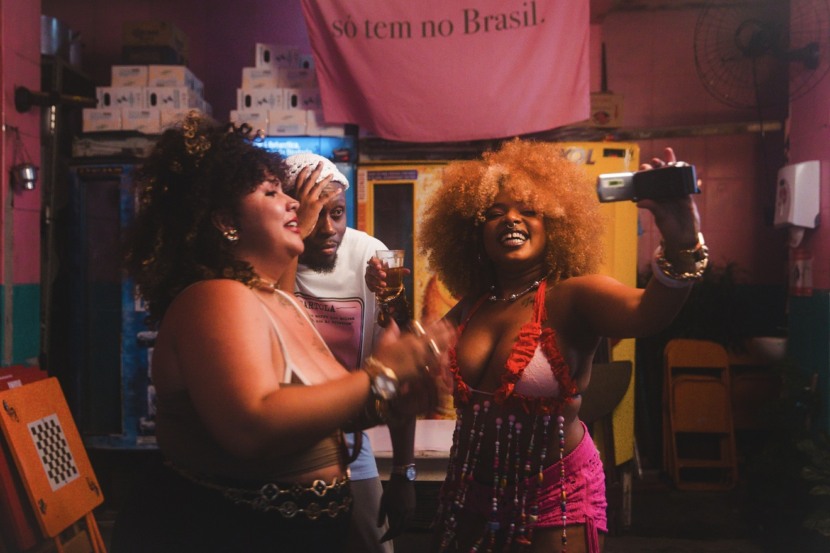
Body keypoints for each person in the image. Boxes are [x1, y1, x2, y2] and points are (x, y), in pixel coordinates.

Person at [111, 112, 450, 553]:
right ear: (225, 220)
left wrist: (394, 395)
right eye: (272, 192)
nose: (293, 204)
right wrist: (380, 376)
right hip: (225, 534)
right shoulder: (215, 297)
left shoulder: (279, 301)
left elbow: (330, 415)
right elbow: (253, 424)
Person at [410, 139, 704, 553]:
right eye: (494, 212)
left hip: (556, 495)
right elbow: (413, 358)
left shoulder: (574, 296)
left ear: (555, 225)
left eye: (529, 210)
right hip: (471, 492)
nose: (511, 219)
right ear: (473, 232)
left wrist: (683, 242)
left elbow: (649, 313)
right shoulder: (473, 306)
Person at [282, 152, 417, 553]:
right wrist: (293, 240)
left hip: (349, 441)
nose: (327, 229)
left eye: (337, 213)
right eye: (311, 214)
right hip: (280, 443)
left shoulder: (368, 255)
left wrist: (403, 471)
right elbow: (276, 319)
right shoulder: (271, 256)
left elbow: (395, 371)